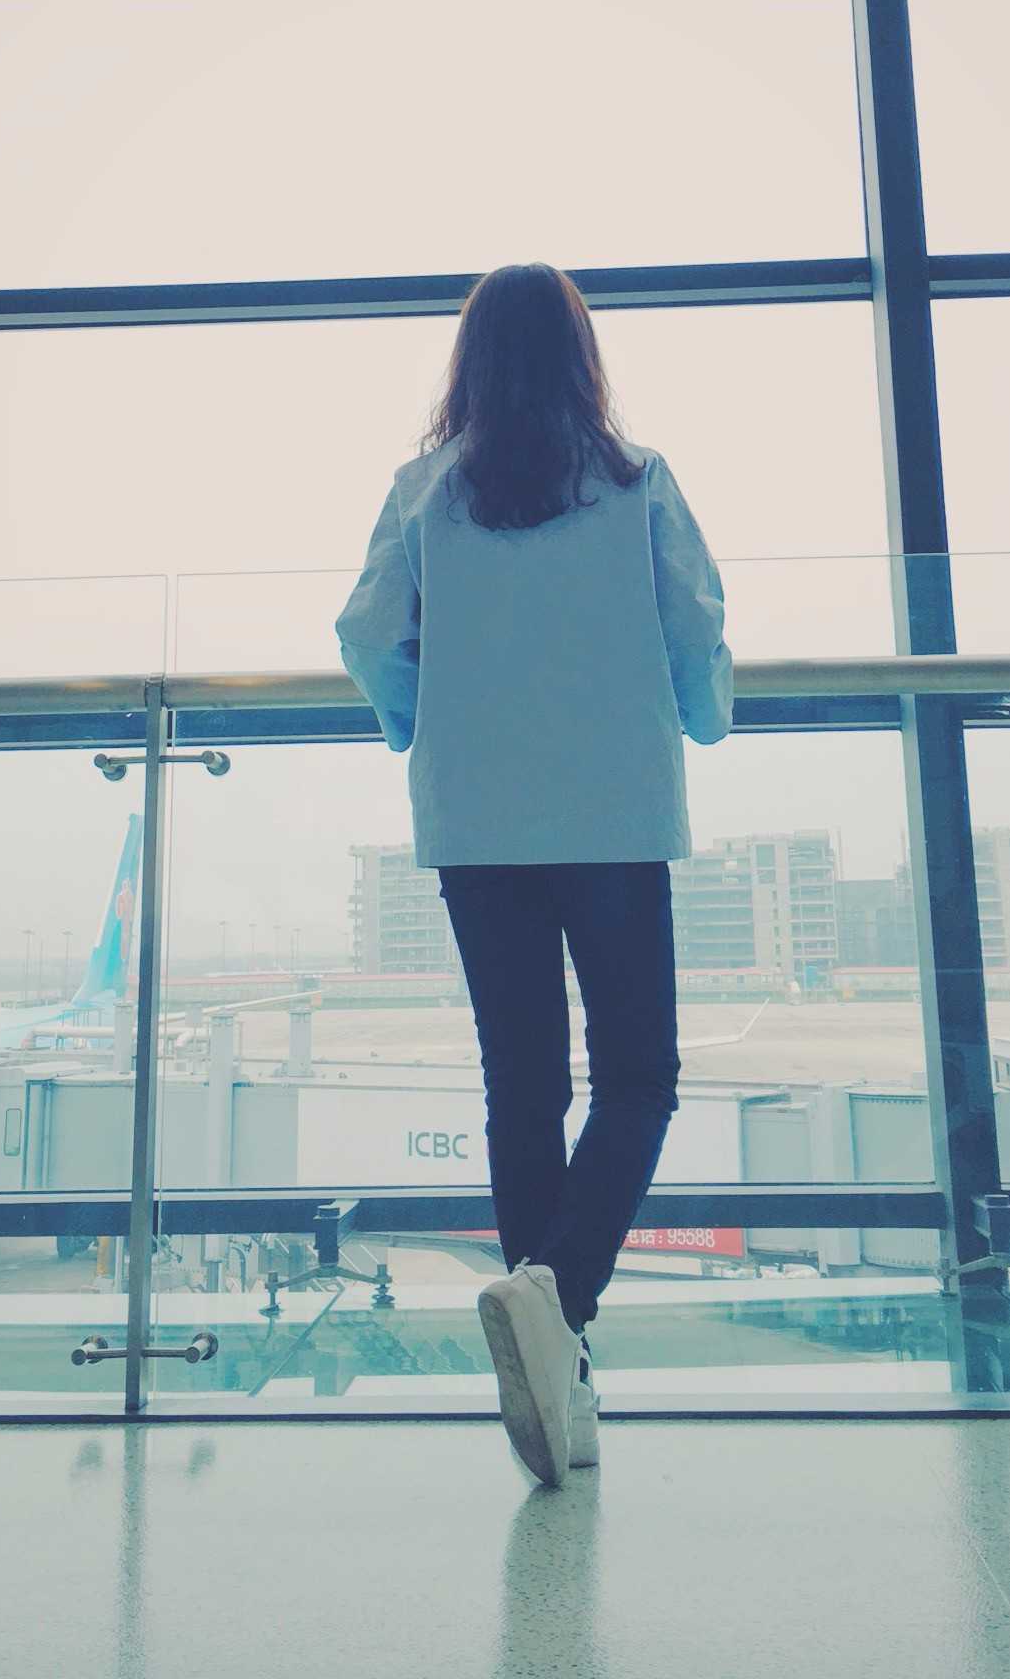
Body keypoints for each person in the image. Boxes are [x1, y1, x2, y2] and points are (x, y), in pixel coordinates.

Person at [334, 262, 732, 1487]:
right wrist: (703, 717)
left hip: (478, 824)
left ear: (469, 363)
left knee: (523, 1085)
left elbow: (366, 634)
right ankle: (559, 1301)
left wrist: (416, 721)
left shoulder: (425, 493)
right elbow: (697, 630)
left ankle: (555, 1361)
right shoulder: (636, 482)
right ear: (579, 357)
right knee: (640, 1077)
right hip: (613, 814)